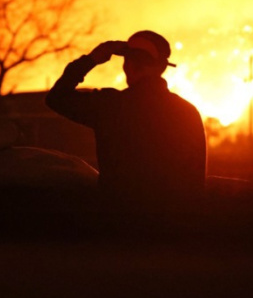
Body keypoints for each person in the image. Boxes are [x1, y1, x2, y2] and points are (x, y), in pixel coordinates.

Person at [45, 30, 207, 208]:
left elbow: (57, 98)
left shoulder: (112, 105)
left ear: (129, 65)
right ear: (161, 68)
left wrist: (91, 59)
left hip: (119, 223)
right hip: (174, 226)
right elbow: (195, 181)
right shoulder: (187, 112)